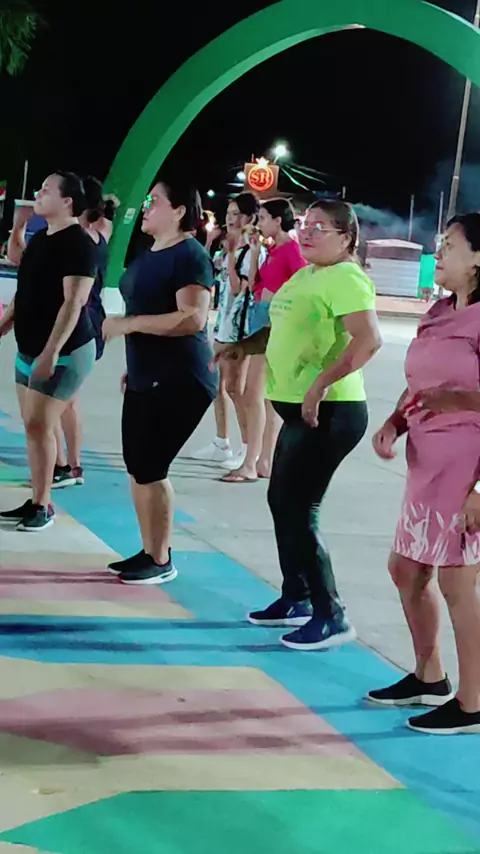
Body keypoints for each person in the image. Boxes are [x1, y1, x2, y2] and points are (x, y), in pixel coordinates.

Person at [246, 199, 381, 649]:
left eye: (320, 227)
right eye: (305, 224)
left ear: (347, 238)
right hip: (298, 409)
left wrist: (320, 384)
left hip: (331, 411)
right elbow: (283, 332)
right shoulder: (307, 275)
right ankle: (297, 596)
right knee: (280, 501)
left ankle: (331, 614)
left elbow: (369, 339)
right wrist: (240, 348)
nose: (306, 232)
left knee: (298, 507)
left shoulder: (345, 277)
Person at [368, 213, 480, 735]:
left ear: (478, 259)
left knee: (458, 583)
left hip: (466, 468)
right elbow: (420, 384)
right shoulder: (437, 313)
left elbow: (458, 393)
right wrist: (395, 422)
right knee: (407, 570)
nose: (439, 252)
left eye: (450, 244)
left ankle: (473, 703)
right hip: (425, 463)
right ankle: (428, 675)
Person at [102, 178, 218, 585]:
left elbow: (192, 318)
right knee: (137, 466)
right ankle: (148, 550)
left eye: (154, 201)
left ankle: (161, 557)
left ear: (180, 211)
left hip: (182, 377)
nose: (146, 207)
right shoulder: (150, 252)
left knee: (151, 466)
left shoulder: (190, 256)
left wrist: (128, 324)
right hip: (146, 374)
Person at [0, 171, 97, 530]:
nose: (37, 194)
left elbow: (74, 302)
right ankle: (37, 499)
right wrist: (5, 324)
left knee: (40, 424)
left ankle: (44, 506)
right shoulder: (42, 238)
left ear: (67, 202)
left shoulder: (79, 244)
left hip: (65, 353)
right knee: (33, 426)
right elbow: (25, 290)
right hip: (28, 348)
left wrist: (51, 352)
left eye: (46, 190)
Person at [221, 198, 307, 482]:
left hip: (273, 322)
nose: (259, 223)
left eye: (264, 218)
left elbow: (302, 286)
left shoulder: (291, 250)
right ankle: (264, 461)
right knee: (265, 398)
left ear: (278, 221)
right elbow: (256, 285)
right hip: (260, 316)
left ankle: (251, 462)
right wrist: (257, 251)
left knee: (252, 393)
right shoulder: (273, 250)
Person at [192, 192, 263, 468]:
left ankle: (247, 447)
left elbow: (237, 288)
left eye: (236, 214)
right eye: (229, 214)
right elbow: (209, 275)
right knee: (218, 386)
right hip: (223, 322)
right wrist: (211, 244)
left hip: (239, 328)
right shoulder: (228, 247)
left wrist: (232, 256)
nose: (230, 219)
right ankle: (221, 442)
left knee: (235, 388)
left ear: (250, 218)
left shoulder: (252, 251)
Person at [53, 176, 110, 488]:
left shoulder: (77, 239)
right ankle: (69, 465)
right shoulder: (101, 233)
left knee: (57, 399)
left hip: (80, 323)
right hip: (93, 320)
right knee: (66, 398)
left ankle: (66, 465)